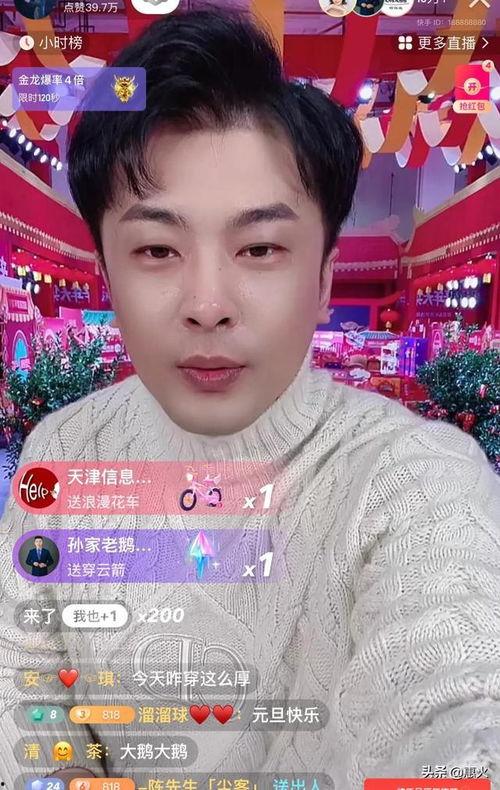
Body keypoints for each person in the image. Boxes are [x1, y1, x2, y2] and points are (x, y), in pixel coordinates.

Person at [0, 6, 499, 787]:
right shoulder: (61, 454)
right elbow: (21, 694)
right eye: (156, 248)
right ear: (106, 274)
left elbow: (456, 710)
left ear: (324, 277)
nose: (207, 305)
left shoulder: (415, 479)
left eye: (260, 247)